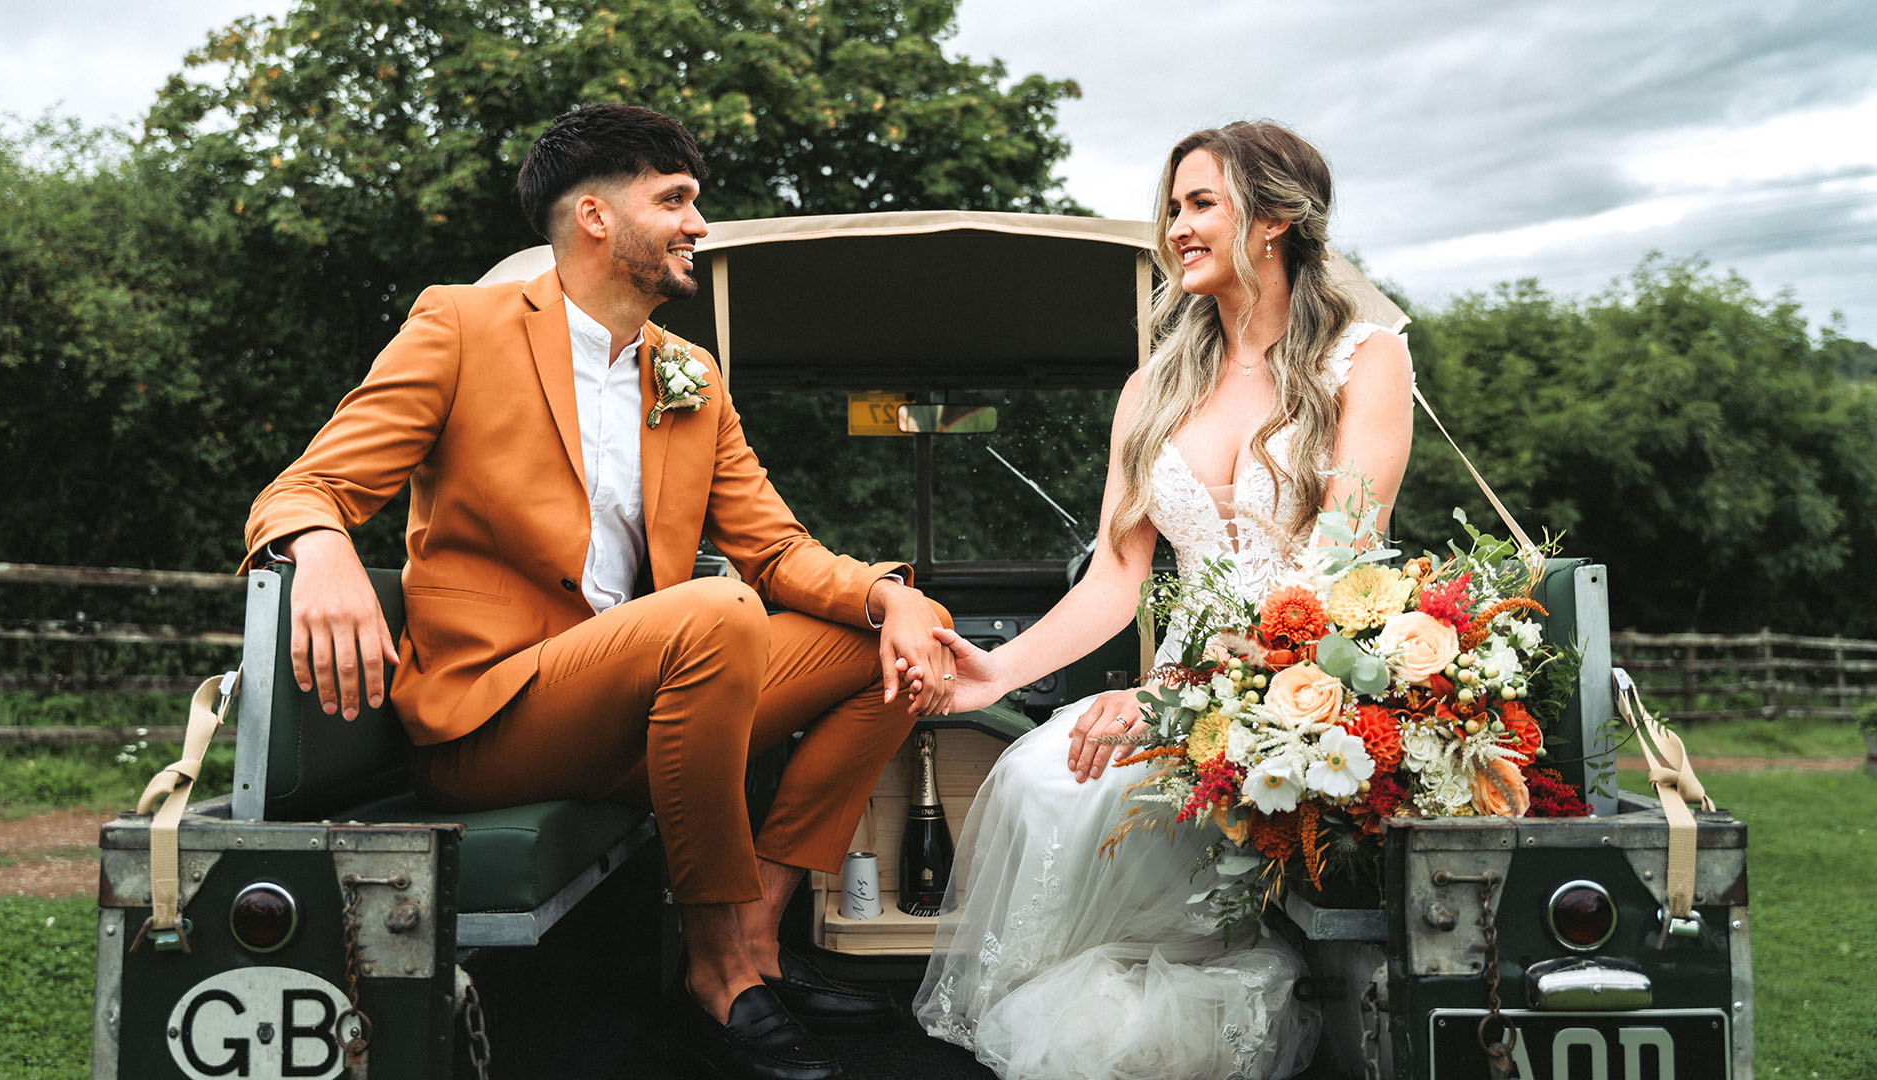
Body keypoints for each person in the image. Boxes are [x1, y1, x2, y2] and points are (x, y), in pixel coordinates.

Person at [242, 103, 957, 1080]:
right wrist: (320, 544)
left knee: (900, 642)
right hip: (494, 721)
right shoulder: (461, 325)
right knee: (716, 612)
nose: (698, 224)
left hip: (643, 710)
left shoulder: (688, 376)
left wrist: (894, 601)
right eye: (674, 201)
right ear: (593, 217)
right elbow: (307, 486)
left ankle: (753, 938)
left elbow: (779, 551)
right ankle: (714, 970)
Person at [911, 121, 1414, 1080]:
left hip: (1311, 682)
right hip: (1182, 680)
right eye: (1173, 207)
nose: (1176, 227)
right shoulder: (1152, 388)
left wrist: (1175, 701)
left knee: (1085, 792)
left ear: (1271, 221)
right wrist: (999, 671)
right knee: (1037, 773)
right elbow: (1116, 574)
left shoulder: (1365, 361)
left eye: (1200, 204)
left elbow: (1342, 568)